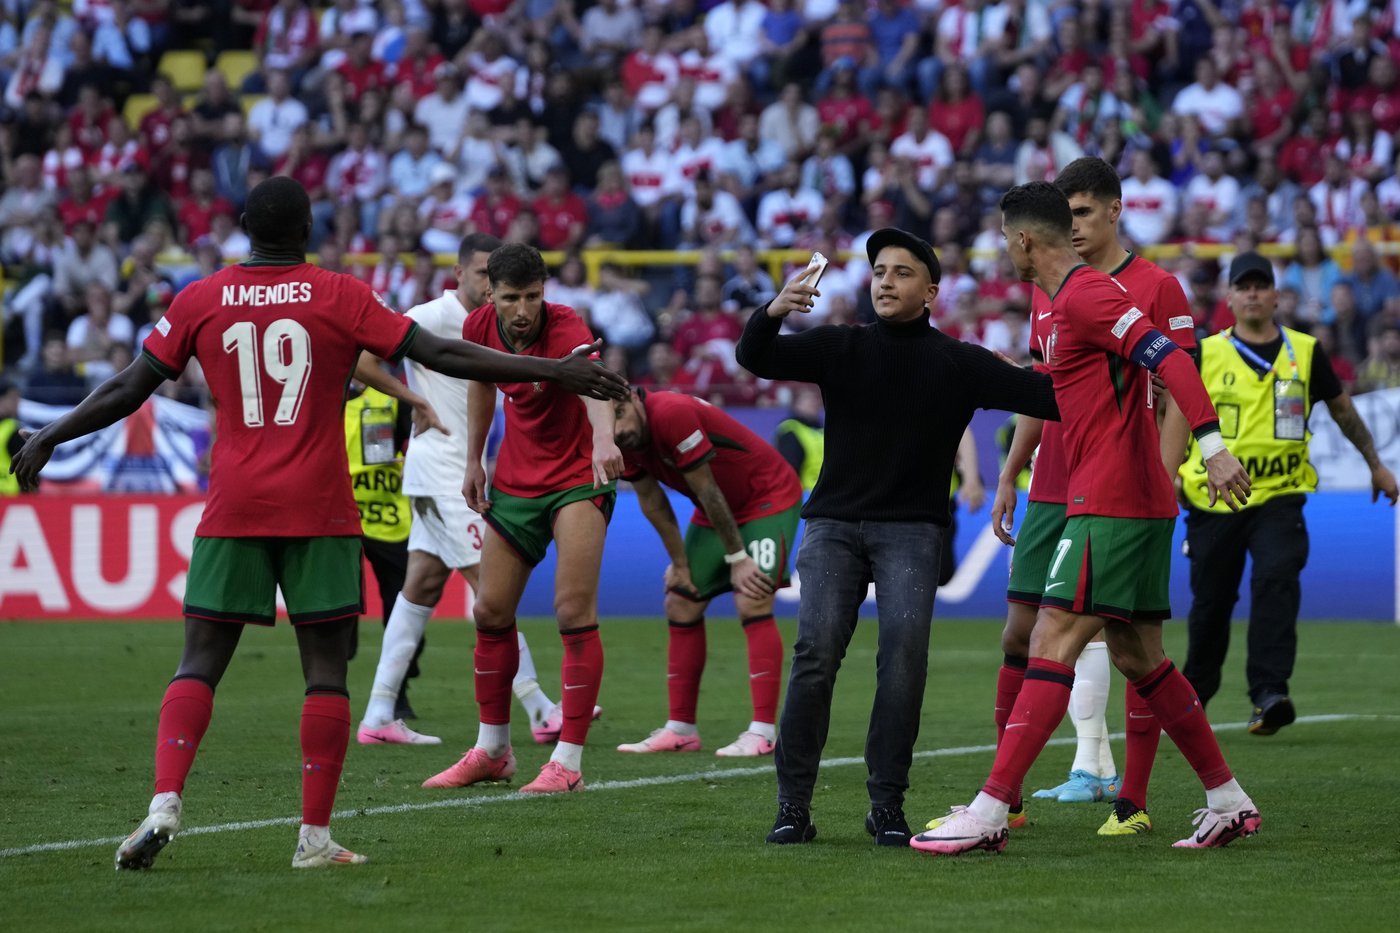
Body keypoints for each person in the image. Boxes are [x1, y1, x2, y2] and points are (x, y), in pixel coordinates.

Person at [8, 176, 628, 872]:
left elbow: (130, 384)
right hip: (321, 510)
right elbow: (442, 355)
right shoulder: (339, 293)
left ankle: (163, 801)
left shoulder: (200, 297)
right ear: (309, 229)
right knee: (325, 672)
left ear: (245, 225)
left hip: (233, 507)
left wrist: (52, 433)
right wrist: (551, 371)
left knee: (199, 662)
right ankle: (313, 837)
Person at [912, 182, 1259, 856]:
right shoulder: (1066, 300)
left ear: (1022, 239)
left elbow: (1176, 362)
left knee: (1051, 636)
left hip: (1115, 501)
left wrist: (1212, 449)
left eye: (1003, 239)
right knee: (1139, 655)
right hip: (1107, 498)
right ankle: (1227, 798)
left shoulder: (1087, 294)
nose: (1002, 251)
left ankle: (990, 809)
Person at [736, 228, 1061, 847]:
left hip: (913, 531)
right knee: (815, 656)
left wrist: (1126, 371)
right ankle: (792, 806)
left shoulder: (960, 362)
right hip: (831, 525)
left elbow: (1048, 397)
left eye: (902, 273)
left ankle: (886, 805)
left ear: (931, 291)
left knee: (903, 665)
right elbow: (755, 356)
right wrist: (774, 309)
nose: (886, 281)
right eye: (879, 271)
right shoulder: (839, 347)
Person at [985, 157, 1198, 835]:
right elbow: (1043, 387)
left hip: (1117, 488)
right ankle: (1008, 792)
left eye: (1080, 212)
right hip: (1056, 481)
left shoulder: (1154, 285)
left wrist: (1160, 476)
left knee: (1120, 641)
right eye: (1063, 214)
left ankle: (1128, 797)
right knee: (1024, 634)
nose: (1071, 225)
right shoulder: (1047, 287)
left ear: (1113, 210)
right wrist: (1012, 469)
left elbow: (1176, 385)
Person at [421, 243, 625, 795]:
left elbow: (594, 386)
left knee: (571, 609)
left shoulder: (564, 325)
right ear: (491, 293)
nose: (522, 310)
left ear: (544, 292)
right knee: (489, 610)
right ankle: (493, 750)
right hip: (515, 479)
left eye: (532, 296)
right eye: (511, 297)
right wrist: (473, 459)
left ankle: (568, 761)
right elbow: (482, 383)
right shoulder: (478, 325)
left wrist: (604, 439)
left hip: (578, 477)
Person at [356, 234, 569, 747]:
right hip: (440, 471)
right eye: (481, 274)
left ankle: (380, 711)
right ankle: (540, 708)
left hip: (453, 471)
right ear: (460, 275)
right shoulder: (429, 316)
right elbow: (361, 359)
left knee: (421, 587)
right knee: (493, 589)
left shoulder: (496, 326)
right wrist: (415, 402)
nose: (489, 285)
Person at [1179, 252, 1397, 733]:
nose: (1254, 293)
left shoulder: (1305, 351)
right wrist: (1167, 470)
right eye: (1245, 286)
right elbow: (1171, 418)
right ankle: (1194, 694)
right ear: (1230, 297)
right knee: (1211, 601)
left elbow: (1342, 411)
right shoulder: (1205, 352)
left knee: (1277, 579)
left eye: (1262, 285)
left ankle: (1269, 693)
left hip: (1280, 493)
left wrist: (1376, 465)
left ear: (1277, 296)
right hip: (1214, 498)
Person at [612, 387, 803, 757]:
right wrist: (680, 563)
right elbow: (651, 500)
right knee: (681, 603)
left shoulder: (671, 412)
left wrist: (738, 557)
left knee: (752, 596)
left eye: (619, 413)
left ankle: (763, 732)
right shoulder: (619, 440)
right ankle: (681, 729)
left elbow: (708, 488)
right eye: (607, 422)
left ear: (635, 398)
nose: (617, 429)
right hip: (716, 510)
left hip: (766, 497)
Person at [342, 378, 423, 721]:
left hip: (390, 517)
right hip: (340, 516)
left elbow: (418, 443)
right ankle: (331, 692)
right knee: (339, 610)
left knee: (403, 609)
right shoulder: (323, 394)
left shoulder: (393, 398)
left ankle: (398, 693)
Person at [774, 385, 823, 494]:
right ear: (796, 404)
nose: (813, 403)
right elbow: (790, 468)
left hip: (825, 494)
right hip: (805, 496)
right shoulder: (790, 429)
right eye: (807, 399)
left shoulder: (823, 430)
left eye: (815, 400)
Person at [0, 378, 22, 496]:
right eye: (13, 398)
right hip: (11, 497)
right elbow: (27, 467)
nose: (17, 402)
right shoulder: (13, 431)